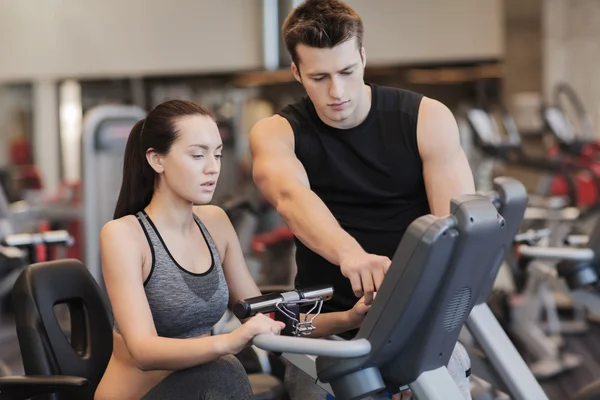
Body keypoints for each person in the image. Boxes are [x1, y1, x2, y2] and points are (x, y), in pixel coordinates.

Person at [249, 1, 476, 399]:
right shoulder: (277, 132)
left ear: (363, 58)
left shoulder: (426, 118)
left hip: (420, 329)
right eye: (319, 77)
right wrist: (349, 253)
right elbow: (290, 194)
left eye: (347, 72)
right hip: (327, 337)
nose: (336, 92)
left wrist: (411, 360)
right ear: (296, 73)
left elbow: (456, 236)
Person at [94, 100, 373, 400]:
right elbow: (143, 351)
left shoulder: (215, 223)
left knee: (226, 370)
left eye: (217, 155)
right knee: (224, 369)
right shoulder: (124, 235)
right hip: (140, 395)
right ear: (157, 160)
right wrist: (230, 342)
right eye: (198, 155)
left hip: (203, 388)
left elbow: (264, 317)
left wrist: (349, 319)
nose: (212, 168)